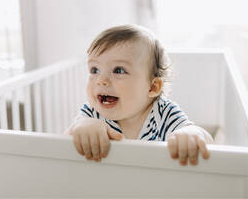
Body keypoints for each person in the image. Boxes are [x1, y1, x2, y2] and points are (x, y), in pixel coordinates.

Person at [65, 24, 213, 165]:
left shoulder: (163, 112)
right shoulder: (93, 113)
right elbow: (62, 146)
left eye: (118, 70)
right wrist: (81, 128)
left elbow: (199, 136)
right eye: (94, 70)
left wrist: (191, 134)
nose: (101, 81)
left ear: (153, 87)